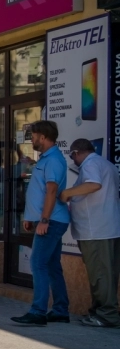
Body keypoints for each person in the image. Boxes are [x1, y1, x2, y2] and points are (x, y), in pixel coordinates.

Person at [12, 121, 71, 326]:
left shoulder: (53, 160)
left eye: (34, 136)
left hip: (52, 221)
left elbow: (52, 192)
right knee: (52, 266)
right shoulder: (46, 159)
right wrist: (33, 218)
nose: (32, 139)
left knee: (38, 263)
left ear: (43, 137)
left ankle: (38, 312)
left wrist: (44, 220)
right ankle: (61, 310)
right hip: (48, 220)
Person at [60, 139, 120, 328]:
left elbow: (94, 184)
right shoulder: (107, 165)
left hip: (96, 230)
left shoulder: (91, 164)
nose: (73, 160)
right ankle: (99, 311)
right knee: (106, 273)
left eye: (72, 156)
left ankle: (106, 315)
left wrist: (67, 193)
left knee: (100, 274)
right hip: (106, 228)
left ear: (77, 152)